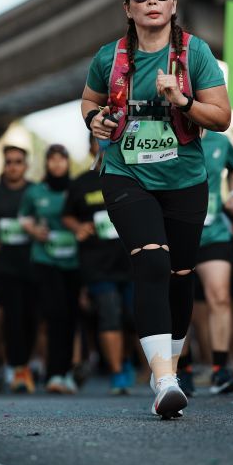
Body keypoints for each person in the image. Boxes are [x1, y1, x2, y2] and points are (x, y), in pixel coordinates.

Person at [81, 0, 231, 418]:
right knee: (151, 262)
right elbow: (89, 100)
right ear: (127, 7)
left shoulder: (194, 53)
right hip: (125, 173)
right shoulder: (109, 58)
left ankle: (170, 368)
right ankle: (165, 381)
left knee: (180, 277)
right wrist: (95, 120)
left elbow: (222, 118)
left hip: (185, 179)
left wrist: (182, 100)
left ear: (174, 3)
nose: (151, 0)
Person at [63, 134, 135, 395]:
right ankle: (117, 373)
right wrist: (78, 227)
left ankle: (126, 359)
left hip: (131, 260)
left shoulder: (132, 174)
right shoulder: (81, 183)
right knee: (109, 313)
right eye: (98, 140)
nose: (105, 145)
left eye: (111, 139)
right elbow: (67, 215)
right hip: (97, 263)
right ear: (91, 147)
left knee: (133, 317)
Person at [19, 144, 80, 394]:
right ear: (46, 163)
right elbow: (23, 217)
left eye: (61, 159)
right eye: (52, 159)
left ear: (67, 162)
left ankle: (67, 372)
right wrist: (34, 230)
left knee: (71, 316)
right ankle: (54, 373)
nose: (57, 164)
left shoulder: (76, 188)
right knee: (54, 314)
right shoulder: (35, 191)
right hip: (45, 260)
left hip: (73, 262)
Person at [0, 146, 36, 393]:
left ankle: (22, 364)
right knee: (11, 318)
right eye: (9, 162)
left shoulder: (34, 191)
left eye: (18, 161)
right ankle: (14, 368)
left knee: (31, 318)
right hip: (4, 266)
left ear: (26, 166)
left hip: (32, 264)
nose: (13, 166)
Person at [194, 130, 233, 394]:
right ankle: (181, 370)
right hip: (174, 234)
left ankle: (220, 369)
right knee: (178, 302)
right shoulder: (164, 131)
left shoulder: (220, 141)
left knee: (220, 297)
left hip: (213, 233)